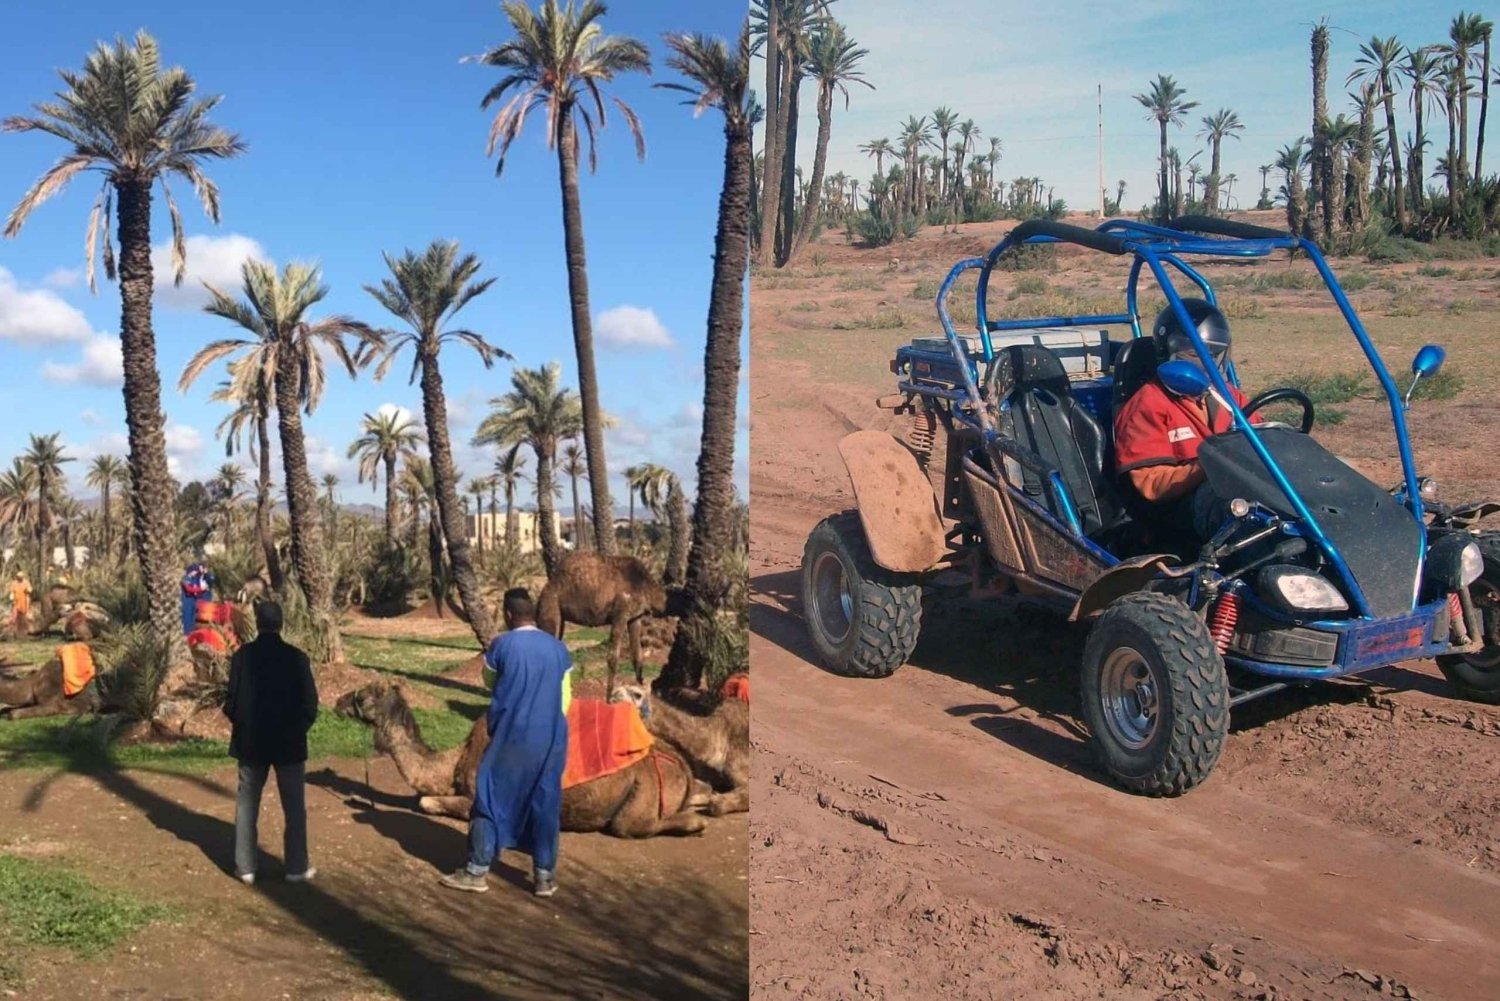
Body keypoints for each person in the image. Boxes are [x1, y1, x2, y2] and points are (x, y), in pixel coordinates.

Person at [440, 588, 572, 898]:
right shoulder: (558, 648)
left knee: (488, 794)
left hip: (512, 736)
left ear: (508, 614)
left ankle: (476, 872)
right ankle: (544, 877)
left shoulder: (501, 646)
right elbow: (566, 695)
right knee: (545, 801)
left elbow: (490, 683)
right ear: (534, 614)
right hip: (551, 738)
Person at [1114, 299, 1252, 551]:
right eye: (1192, 353)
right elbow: (1150, 485)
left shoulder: (1228, 396)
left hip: (1230, 488)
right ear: (1167, 352)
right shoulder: (1148, 404)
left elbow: (1261, 438)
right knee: (1243, 512)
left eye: (1212, 353)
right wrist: (1211, 465)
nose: (1203, 363)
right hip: (1177, 510)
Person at [224, 601, 318, 885]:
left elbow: (230, 702)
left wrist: (243, 725)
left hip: (252, 743)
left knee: (247, 804)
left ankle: (246, 867)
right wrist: (297, 728)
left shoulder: (242, 657)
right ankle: (296, 867)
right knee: (294, 807)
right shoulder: (297, 658)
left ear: (258, 622)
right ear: (281, 623)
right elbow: (310, 704)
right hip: (289, 744)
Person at [180, 558, 216, 635]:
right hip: (190, 601)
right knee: (189, 618)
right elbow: (190, 589)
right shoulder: (186, 578)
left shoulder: (204, 576)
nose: (196, 572)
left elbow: (211, 579)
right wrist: (201, 589)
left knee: (199, 618)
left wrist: (206, 573)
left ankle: (197, 633)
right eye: (195, 571)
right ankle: (188, 634)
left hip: (199, 600)